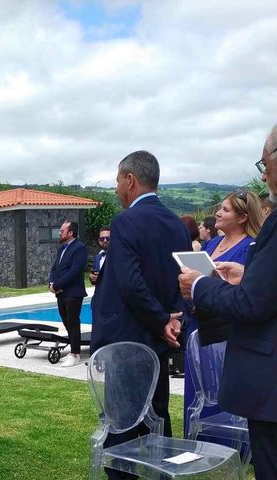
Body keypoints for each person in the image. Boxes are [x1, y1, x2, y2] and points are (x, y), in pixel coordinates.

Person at [178, 125, 277, 480]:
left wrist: (203, 285)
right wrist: (245, 276)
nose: (263, 173)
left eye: (265, 163)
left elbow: (253, 304)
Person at [90, 151, 191, 479]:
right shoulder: (175, 222)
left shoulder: (125, 222)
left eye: (118, 180)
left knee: (122, 427)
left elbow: (130, 284)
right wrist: (172, 319)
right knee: (157, 421)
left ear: (130, 180)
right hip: (159, 343)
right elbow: (185, 277)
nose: (117, 187)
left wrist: (162, 320)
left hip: (128, 342)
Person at [48, 220, 88, 367]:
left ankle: (75, 354)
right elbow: (55, 268)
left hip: (73, 293)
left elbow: (74, 272)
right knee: (67, 323)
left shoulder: (80, 248)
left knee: (73, 323)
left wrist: (57, 285)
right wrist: (51, 283)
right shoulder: (61, 249)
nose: (60, 232)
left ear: (71, 233)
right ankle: (73, 351)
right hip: (60, 293)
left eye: (62, 230)